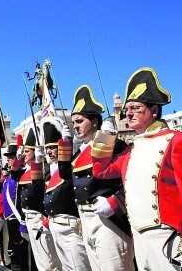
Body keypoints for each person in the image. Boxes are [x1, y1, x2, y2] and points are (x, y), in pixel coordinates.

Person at [92, 67, 182, 270]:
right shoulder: (131, 151)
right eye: (127, 109)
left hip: (168, 237)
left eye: (135, 108)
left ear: (154, 110)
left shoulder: (175, 141)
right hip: (139, 239)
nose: (128, 114)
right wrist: (105, 138)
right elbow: (101, 171)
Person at [61, 85, 134, 271]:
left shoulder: (113, 145)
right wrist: (65, 146)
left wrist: (115, 202)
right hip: (85, 220)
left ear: (94, 122)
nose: (75, 126)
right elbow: (64, 177)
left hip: (108, 220)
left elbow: (131, 179)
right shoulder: (78, 154)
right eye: (74, 122)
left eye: (79, 121)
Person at [40, 116, 91, 271]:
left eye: (54, 147)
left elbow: (66, 173)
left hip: (70, 228)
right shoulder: (49, 172)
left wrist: (66, 142)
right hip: (56, 227)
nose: (50, 151)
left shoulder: (69, 166)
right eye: (47, 148)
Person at [11, 127, 62, 271]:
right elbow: (13, 175)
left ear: (35, 151)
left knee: (49, 262)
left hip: (39, 217)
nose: (24, 154)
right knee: (39, 260)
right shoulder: (25, 171)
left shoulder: (43, 170)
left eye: (27, 151)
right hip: (28, 218)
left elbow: (42, 193)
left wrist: (46, 220)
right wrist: (19, 157)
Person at [3, 138, 35, 271]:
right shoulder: (10, 176)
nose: (9, 159)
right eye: (9, 157)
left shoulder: (21, 173)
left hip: (19, 217)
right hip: (10, 218)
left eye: (12, 157)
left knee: (24, 253)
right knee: (15, 251)